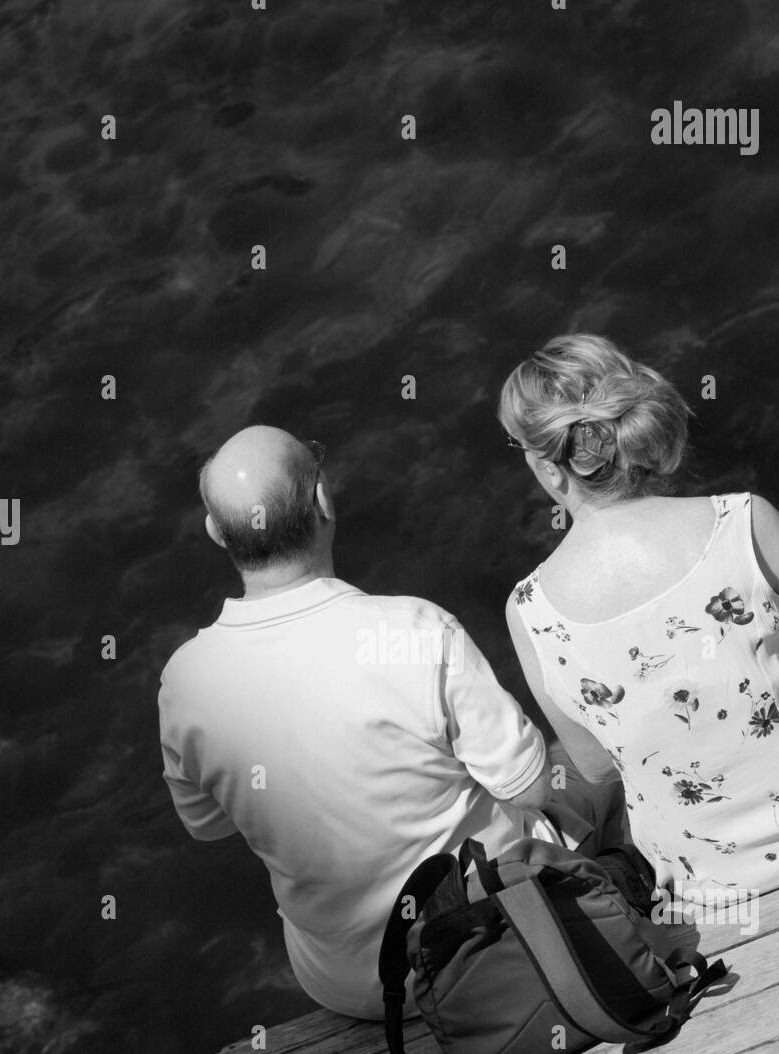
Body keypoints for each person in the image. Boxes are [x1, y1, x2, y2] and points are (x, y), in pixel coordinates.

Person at [158, 426, 619, 1019]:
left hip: (348, 986)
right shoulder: (413, 631)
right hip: (486, 939)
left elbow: (209, 825)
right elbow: (530, 789)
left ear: (215, 531)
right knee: (591, 771)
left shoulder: (186, 682)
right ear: (324, 500)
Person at [501, 333, 779, 917]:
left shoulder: (532, 611)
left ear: (549, 469)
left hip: (714, 893)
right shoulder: (744, 522)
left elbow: (594, 765)